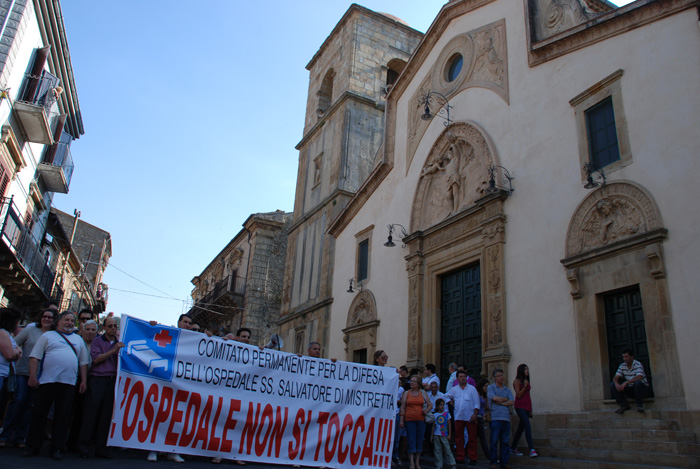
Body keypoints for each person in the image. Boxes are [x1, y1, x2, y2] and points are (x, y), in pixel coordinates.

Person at [23, 311, 89, 460]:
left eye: (72, 321)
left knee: (63, 417)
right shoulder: (47, 336)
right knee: (39, 414)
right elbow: (34, 357)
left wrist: (83, 380)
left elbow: (83, 362)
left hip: (69, 383)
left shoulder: (78, 340)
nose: (70, 323)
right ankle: (32, 446)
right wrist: (33, 377)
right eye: (67, 320)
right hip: (47, 381)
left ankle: (57, 448)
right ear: (58, 321)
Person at [0, 307, 54, 448]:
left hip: (40, 375)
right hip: (23, 372)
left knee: (30, 406)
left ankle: (20, 437)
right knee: (18, 401)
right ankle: (5, 434)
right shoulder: (31, 330)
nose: (47, 319)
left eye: (50, 317)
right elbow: (15, 342)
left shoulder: (54, 335)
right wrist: (18, 352)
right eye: (44, 316)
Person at [78, 316, 124, 459]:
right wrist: (113, 350)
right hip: (97, 380)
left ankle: (101, 449)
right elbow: (97, 359)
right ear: (104, 328)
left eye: (115, 326)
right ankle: (83, 447)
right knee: (91, 414)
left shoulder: (119, 343)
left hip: (112, 381)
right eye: (109, 326)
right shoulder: (98, 341)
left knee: (106, 416)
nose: (112, 328)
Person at [444, 370, 480, 466]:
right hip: (458, 416)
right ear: (457, 378)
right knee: (459, 438)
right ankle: (460, 457)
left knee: (472, 438)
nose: (462, 378)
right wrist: (451, 403)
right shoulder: (454, 389)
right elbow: (446, 396)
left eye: (464, 376)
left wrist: (475, 414)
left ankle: (473, 457)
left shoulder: (472, 389)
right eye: (460, 376)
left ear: (466, 377)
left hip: (469, 416)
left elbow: (477, 402)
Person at [399, 374, 432, 469]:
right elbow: (403, 407)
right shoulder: (407, 393)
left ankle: (417, 462)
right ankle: (412, 463)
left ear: (418, 384)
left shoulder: (423, 393)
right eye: (411, 381)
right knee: (411, 440)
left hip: (421, 420)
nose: (411, 383)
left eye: (414, 381)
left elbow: (430, 405)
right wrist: (402, 420)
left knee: (419, 440)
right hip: (409, 420)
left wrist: (426, 410)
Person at [487, 368, 514, 469]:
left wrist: (501, 402)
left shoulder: (507, 389)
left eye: (502, 375)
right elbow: (494, 398)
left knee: (505, 441)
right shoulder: (491, 388)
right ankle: (493, 462)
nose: (501, 377)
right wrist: (505, 400)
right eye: (499, 376)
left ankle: (504, 462)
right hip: (495, 418)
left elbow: (512, 401)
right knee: (494, 441)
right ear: (494, 378)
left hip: (506, 418)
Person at [510, 364, 537, 458]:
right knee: (527, 426)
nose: (527, 371)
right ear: (521, 370)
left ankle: (512, 448)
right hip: (520, 407)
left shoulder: (526, 381)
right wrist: (525, 387)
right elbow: (518, 395)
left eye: (528, 369)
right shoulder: (517, 381)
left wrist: (531, 409)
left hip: (526, 407)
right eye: (525, 369)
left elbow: (528, 396)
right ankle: (532, 449)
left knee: (520, 429)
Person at [0, 308, 22, 403]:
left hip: (4, 374)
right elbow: (10, 355)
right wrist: (17, 351)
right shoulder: (2, 333)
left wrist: (16, 351)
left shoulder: (8, 334)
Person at [430, 399, 456, 469]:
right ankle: (439, 464)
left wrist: (449, 434)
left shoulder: (447, 414)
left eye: (443, 404)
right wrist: (432, 435)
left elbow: (449, 424)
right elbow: (434, 425)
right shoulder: (435, 415)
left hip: (444, 434)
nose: (442, 406)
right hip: (436, 434)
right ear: (437, 406)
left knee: (447, 449)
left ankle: (452, 463)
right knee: (437, 450)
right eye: (440, 405)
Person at [475, 378, 491, 459]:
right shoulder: (477, 394)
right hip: (477, 417)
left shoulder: (484, 395)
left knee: (475, 437)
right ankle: (488, 455)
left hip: (482, 417)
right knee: (482, 438)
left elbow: (487, 407)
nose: (487, 388)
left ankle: (465, 451)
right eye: (486, 386)